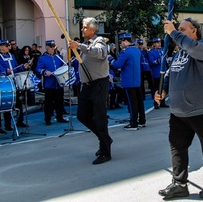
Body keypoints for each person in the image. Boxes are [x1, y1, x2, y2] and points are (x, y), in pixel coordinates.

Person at [155, 18, 203, 200]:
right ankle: (179, 184)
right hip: (178, 111)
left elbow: (190, 47)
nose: (178, 31)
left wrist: (173, 32)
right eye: (178, 29)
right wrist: (162, 89)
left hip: (202, 110)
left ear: (195, 31)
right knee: (177, 147)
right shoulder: (179, 53)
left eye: (183, 29)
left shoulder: (202, 48)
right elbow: (170, 73)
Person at [68, 17, 112, 165]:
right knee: (82, 115)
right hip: (87, 85)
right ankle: (104, 138)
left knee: (99, 117)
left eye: (85, 27)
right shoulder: (87, 43)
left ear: (93, 29)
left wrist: (79, 46)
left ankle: (105, 152)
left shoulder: (98, 41)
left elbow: (100, 53)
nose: (82, 29)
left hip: (98, 84)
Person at [110, 33, 145, 130]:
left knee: (131, 103)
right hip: (137, 80)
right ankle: (142, 120)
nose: (120, 44)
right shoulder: (137, 50)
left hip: (129, 81)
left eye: (121, 42)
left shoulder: (125, 52)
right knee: (139, 101)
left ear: (125, 41)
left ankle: (133, 123)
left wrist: (111, 59)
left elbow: (117, 64)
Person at [0, 39, 30, 129]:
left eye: (8, 45)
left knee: (19, 102)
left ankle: (20, 121)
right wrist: (4, 71)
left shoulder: (12, 56)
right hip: (6, 82)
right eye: (6, 45)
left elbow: (16, 68)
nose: (8, 47)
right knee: (8, 103)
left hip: (14, 81)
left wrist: (23, 67)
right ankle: (7, 124)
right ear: (1, 47)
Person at [36, 40, 69, 125]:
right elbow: (38, 69)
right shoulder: (42, 58)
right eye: (51, 46)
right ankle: (47, 118)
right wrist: (45, 72)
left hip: (58, 83)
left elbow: (63, 67)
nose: (53, 48)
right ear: (47, 47)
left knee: (59, 102)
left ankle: (60, 117)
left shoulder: (58, 57)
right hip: (49, 84)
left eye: (53, 46)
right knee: (48, 103)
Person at [148, 37, 167, 109]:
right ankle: (156, 102)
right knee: (156, 88)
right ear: (154, 44)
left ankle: (163, 102)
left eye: (159, 43)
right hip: (156, 73)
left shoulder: (163, 50)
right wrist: (159, 60)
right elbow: (151, 62)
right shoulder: (151, 52)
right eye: (157, 43)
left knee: (163, 88)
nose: (159, 44)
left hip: (164, 71)